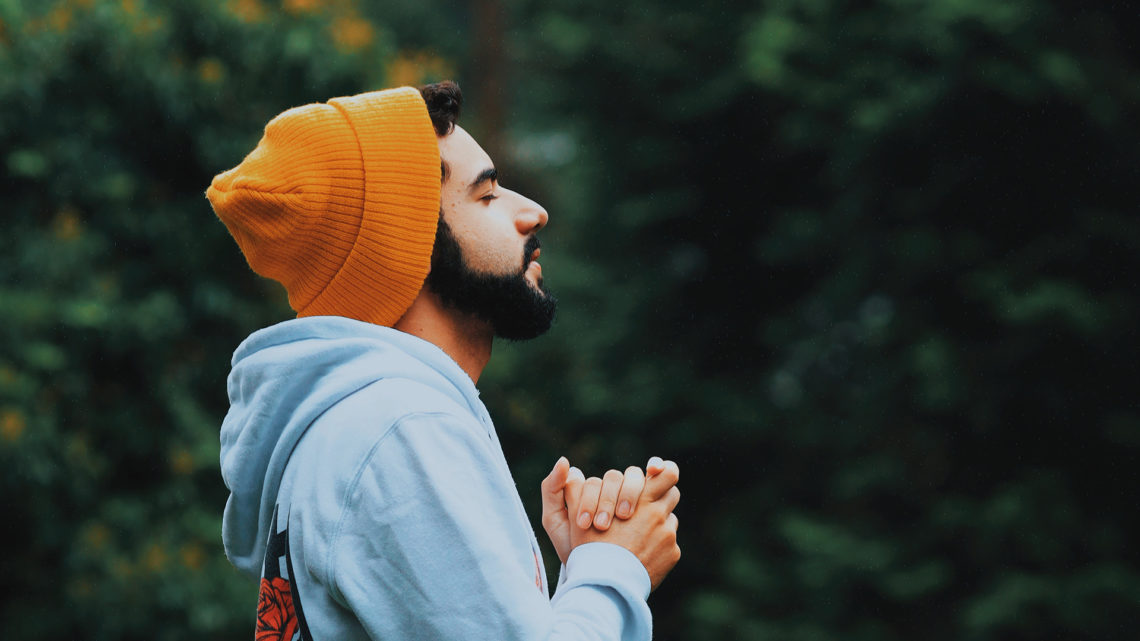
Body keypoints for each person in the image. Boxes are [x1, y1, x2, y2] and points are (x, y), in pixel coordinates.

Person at [206, 81, 681, 640]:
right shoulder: (402, 429)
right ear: (405, 249)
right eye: (486, 196)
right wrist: (614, 571)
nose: (533, 212)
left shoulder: (350, 428)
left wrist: (580, 572)